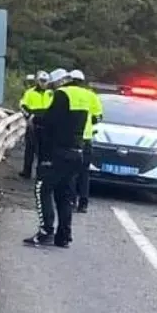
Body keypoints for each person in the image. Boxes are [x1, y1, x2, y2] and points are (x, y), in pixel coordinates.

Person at [25, 69, 88, 249]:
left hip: (58, 152)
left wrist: (36, 119)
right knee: (65, 194)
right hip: (77, 151)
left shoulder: (62, 94)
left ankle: (46, 231)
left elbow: (51, 121)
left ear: (59, 82)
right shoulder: (84, 95)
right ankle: (64, 236)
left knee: (42, 188)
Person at [66, 70, 101, 212]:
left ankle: (71, 201)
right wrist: (89, 122)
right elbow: (99, 116)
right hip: (86, 139)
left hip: (71, 139)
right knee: (84, 173)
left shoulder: (65, 92)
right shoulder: (90, 95)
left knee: (71, 173)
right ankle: (84, 203)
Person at [18, 71, 51, 179]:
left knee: (43, 150)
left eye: (45, 81)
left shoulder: (51, 93)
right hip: (33, 124)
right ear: (37, 81)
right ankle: (26, 171)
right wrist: (29, 116)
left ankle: (40, 173)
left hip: (46, 125)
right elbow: (22, 105)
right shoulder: (30, 92)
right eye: (41, 81)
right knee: (30, 149)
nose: (43, 83)